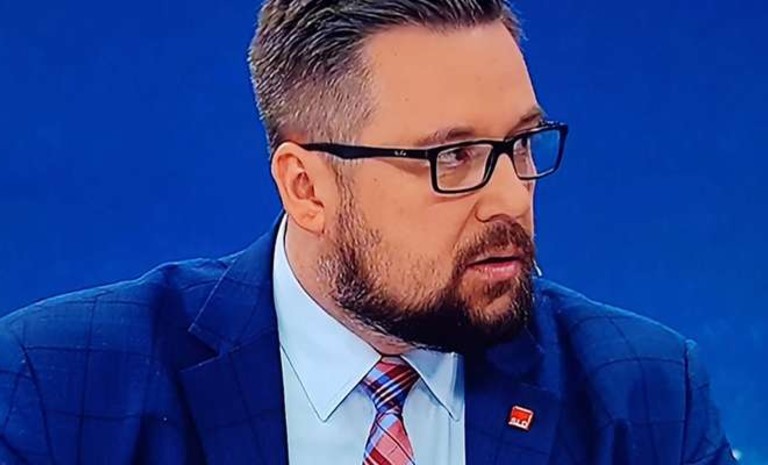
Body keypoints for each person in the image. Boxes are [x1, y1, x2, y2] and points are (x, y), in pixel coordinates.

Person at [0, 1, 735, 464]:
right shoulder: (58, 386)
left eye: (521, 144)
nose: (511, 196)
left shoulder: (645, 394)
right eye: (453, 156)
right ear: (307, 188)